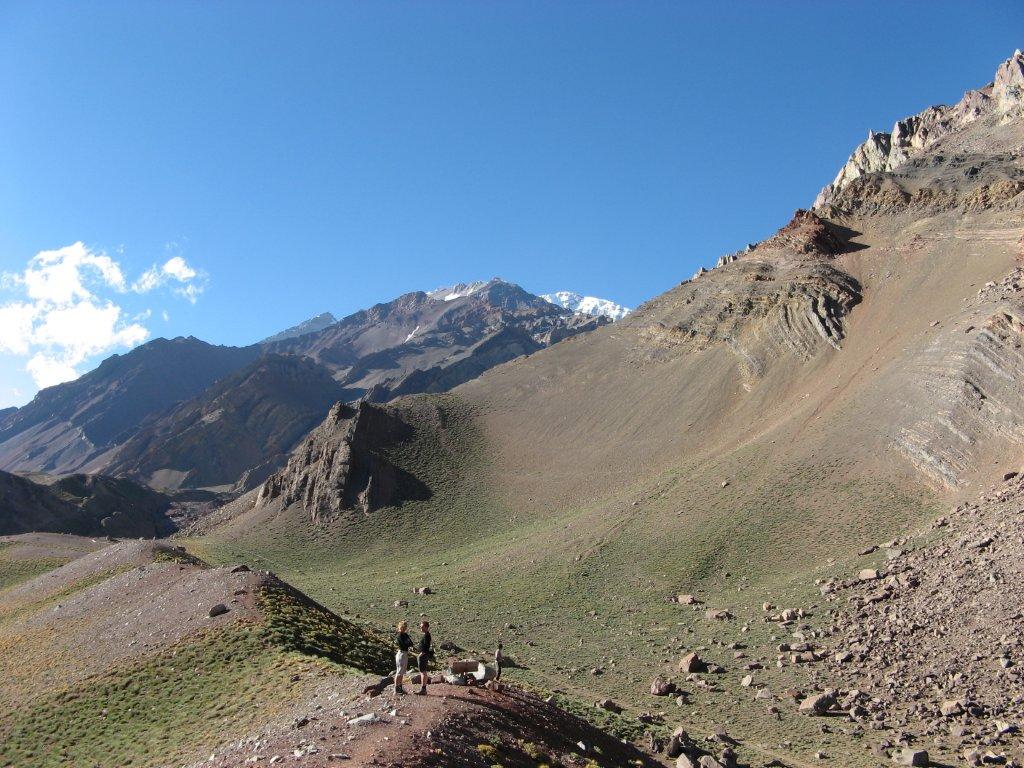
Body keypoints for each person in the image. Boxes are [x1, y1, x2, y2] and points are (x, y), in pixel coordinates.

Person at [394, 620, 414, 695]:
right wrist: (408, 644)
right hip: (401, 653)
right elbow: (403, 644)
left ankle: (400, 688)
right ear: (400, 627)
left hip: (405, 653)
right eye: (402, 627)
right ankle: (396, 689)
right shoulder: (399, 635)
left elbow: (410, 643)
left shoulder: (405, 635)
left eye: (405, 627)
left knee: (402, 672)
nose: (404, 629)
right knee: (399, 672)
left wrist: (409, 645)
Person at [414, 620, 432, 695]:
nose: (421, 628)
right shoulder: (426, 635)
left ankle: (423, 689)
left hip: (423, 655)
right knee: (423, 672)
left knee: (423, 672)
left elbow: (426, 647)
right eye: (420, 627)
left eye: (422, 627)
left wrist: (420, 654)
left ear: (426, 627)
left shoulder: (427, 636)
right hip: (424, 655)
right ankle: (423, 688)